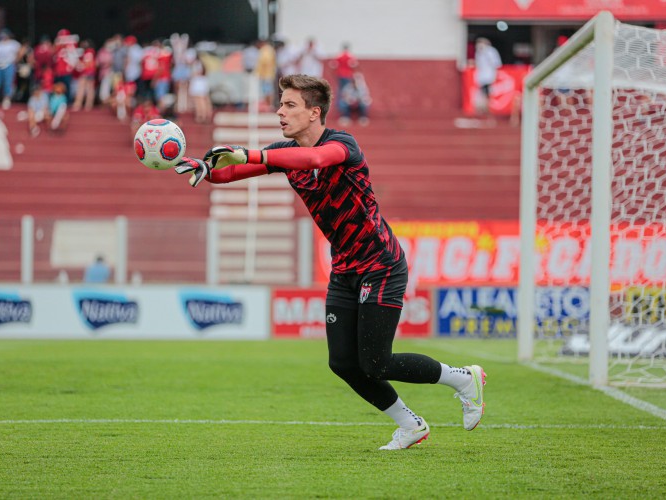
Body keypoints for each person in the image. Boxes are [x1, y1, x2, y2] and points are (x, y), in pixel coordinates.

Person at [174, 74, 487, 450]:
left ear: (314, 113)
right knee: (342, 362)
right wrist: (206, 169)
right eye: (280, 103)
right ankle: (411, 425)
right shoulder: (285, 152)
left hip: (380, 263)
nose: (280, 111)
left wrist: (253, 154)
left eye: (289, 105)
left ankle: (462, 379)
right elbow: (233, 172)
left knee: (376, 362)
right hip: (344, 270)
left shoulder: (342, 144)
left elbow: (314, 158)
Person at [473, 37, 502, 115]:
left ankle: (486, 108)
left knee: (487, 93)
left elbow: (496, 63)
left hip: (488, 76)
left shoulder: (490, 51)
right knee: (481, 93)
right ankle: (482, 108)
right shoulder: (478, 53)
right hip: (481, 77)